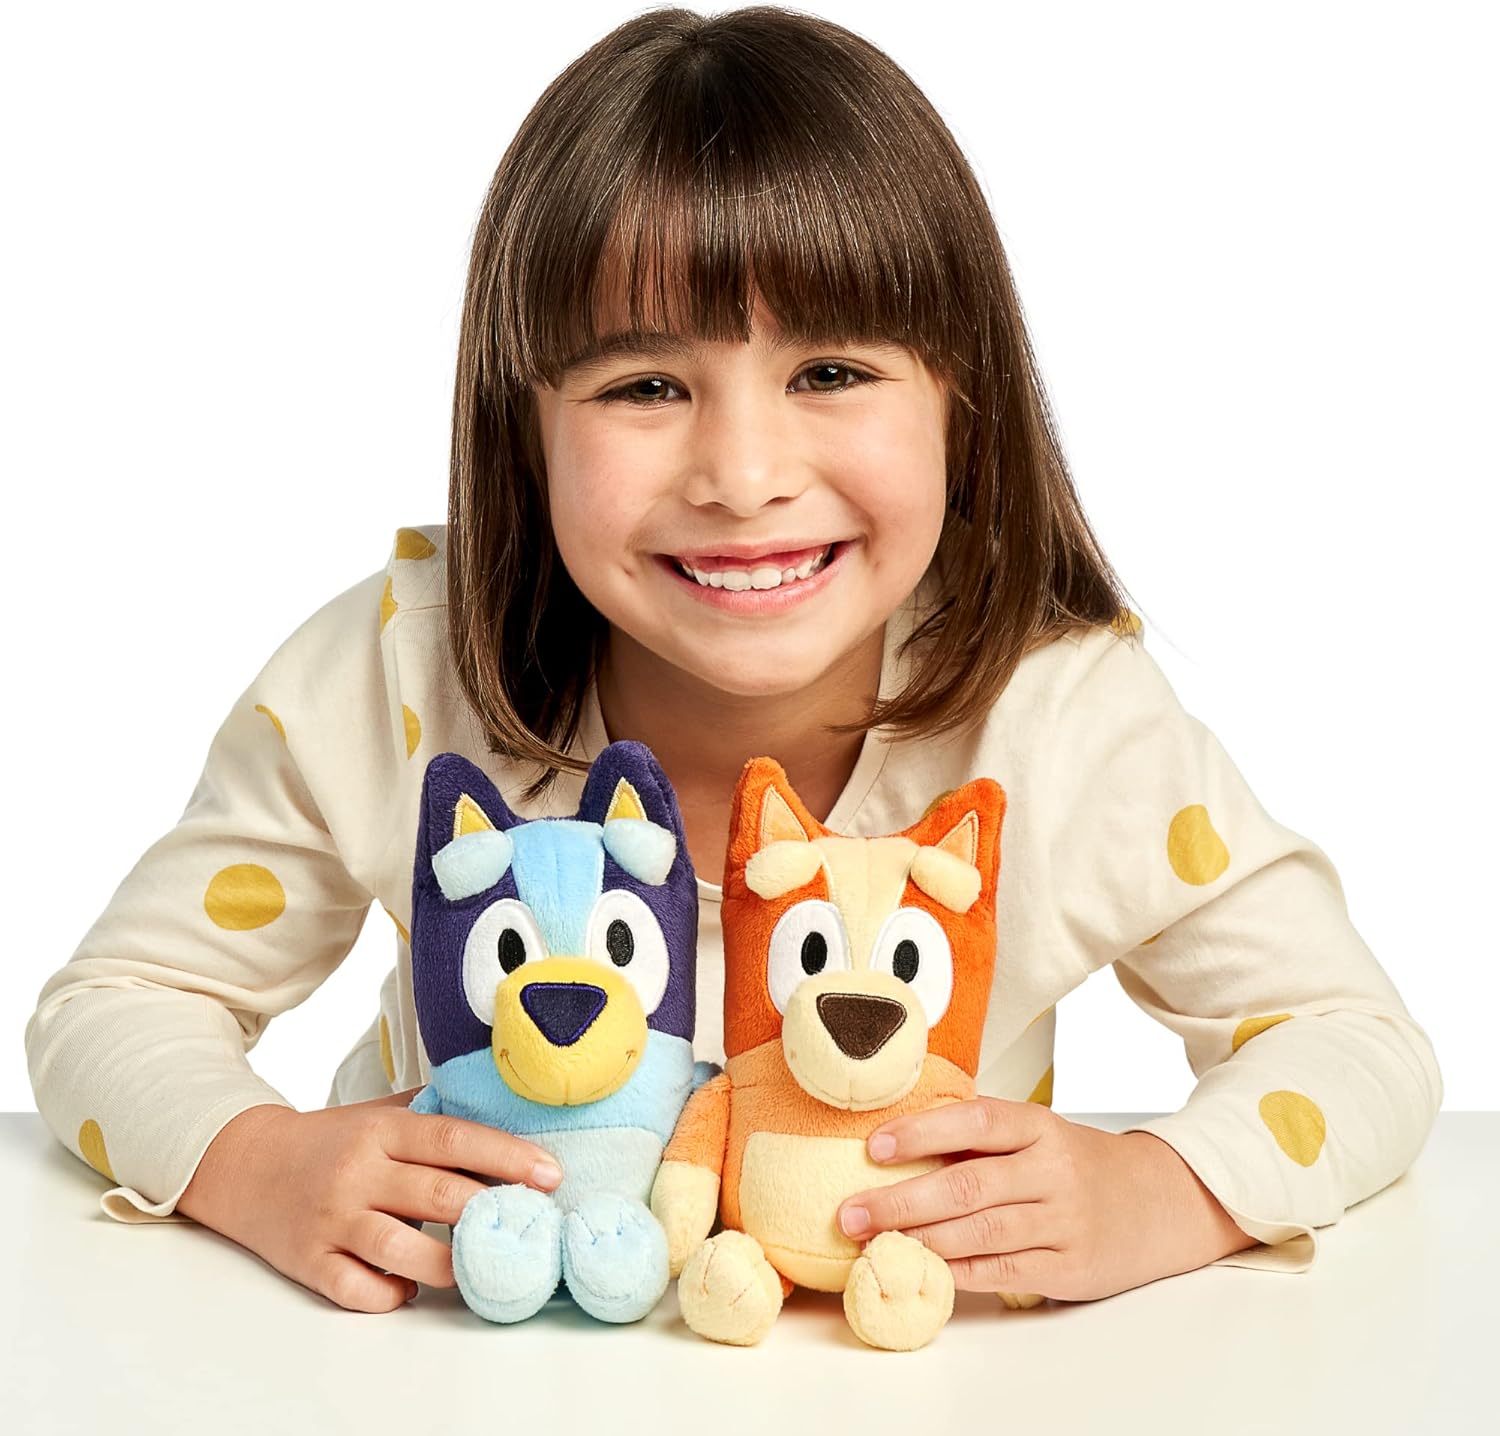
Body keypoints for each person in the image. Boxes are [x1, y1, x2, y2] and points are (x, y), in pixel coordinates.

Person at [24, 6, 1441, 1317]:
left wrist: (1161, 1192)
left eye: (832, 373)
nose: (745, 475)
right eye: (645, 386)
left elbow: (1356, 1042)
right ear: (526, 425)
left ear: (961, 398)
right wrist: (258, 1164)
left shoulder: (1062, 717)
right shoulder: (398, 670)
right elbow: (113, 1007)